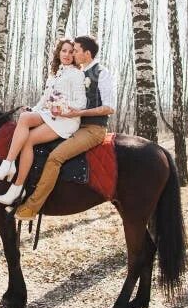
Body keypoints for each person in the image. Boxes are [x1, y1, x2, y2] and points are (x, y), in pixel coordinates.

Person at [14, 35, 115, 221]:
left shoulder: (102, 73)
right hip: (72, 125)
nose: (73, 53)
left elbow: (110, 107)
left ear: (87, 53)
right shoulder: (76, 72)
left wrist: (78, 113)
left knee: (55, 158)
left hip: (93, 129)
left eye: (76, 50)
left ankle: (32, 207)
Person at [0, 38, 87, 205]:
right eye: (64, 50)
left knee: (24, 120)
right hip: (50, 115)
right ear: (58, 52)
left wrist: (62, 107)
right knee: (26, 136)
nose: (67, 54)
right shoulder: (56, 74)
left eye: (71, 52)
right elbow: (44, 99)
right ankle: (17, 187)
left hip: (66, 121)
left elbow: (81, 103)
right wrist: (33, 110)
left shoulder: (77, 74)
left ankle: (8, 165)